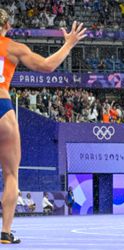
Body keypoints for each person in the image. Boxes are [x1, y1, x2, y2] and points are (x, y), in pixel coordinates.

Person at [0, 8, 86, 243]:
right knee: (10, 174)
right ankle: (5, 233)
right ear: (7, 27)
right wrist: (68, 44)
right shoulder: (13, 48)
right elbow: (48, 66)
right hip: (2, 109)